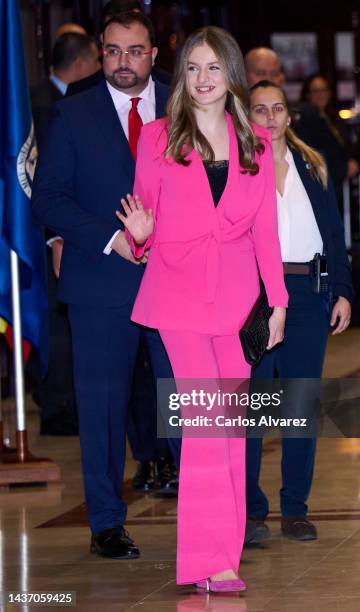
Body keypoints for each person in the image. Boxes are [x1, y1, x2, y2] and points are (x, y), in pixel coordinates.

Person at [117, 26, 288, 592]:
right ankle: (207, 561)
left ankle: (226, 555)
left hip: (240, 307)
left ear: (231, 75)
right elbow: (145, 220)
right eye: (192, 68)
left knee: (230, 429)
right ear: (181, 76)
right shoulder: (161, 138)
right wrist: (139, 235)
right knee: (205, 426)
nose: (202, 79)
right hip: (179, 299)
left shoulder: (257, 145)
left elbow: (265, 232)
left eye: (213, 67)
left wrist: (278, 301)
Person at [32, 10, 180, 559]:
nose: (124, 62)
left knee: (188, 402)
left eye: (135, 51)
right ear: (101, 52)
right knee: (102, 409)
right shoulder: (73, 114)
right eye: (114, 51)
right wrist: (108, 238)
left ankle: (210, 513)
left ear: (153, 54)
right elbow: (48, 198)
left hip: (178, 282)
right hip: (101, 283)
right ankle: (106, 525)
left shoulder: (185, 102)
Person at [245, 81, 353, 544]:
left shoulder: (312, 165)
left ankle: (295, 510)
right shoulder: (236, 169)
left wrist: (342, 290)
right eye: (260, 110)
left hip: (309, 293)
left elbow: (333, 232)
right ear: (245, 118)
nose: (270, 118)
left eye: (277, 109)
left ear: (289, 116)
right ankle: (250, 512)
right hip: (255, 296)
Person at [31, 32, 100, 436]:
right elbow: (38, 176)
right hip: (46, 236)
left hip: (74, 230)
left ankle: (65, 401)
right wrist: (55, 237)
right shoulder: (40, 105)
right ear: (81, 64)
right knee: (54, 325)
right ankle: (57, 405)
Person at [244, 47, 349, 205]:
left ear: (282, 78)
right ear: (243, 76)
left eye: (274, 73)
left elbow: (336, 164)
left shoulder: (306, 117)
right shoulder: (229, 123)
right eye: (260, 73)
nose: (267, 79)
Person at [300, 73, 360, 199]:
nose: (320, 94)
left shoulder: (333, 118)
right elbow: (315, 153)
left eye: (324, 90)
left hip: (340, 184)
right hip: (322, 184)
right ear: (308, 94)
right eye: (315, 91)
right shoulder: (306, 119)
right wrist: (344, 169)